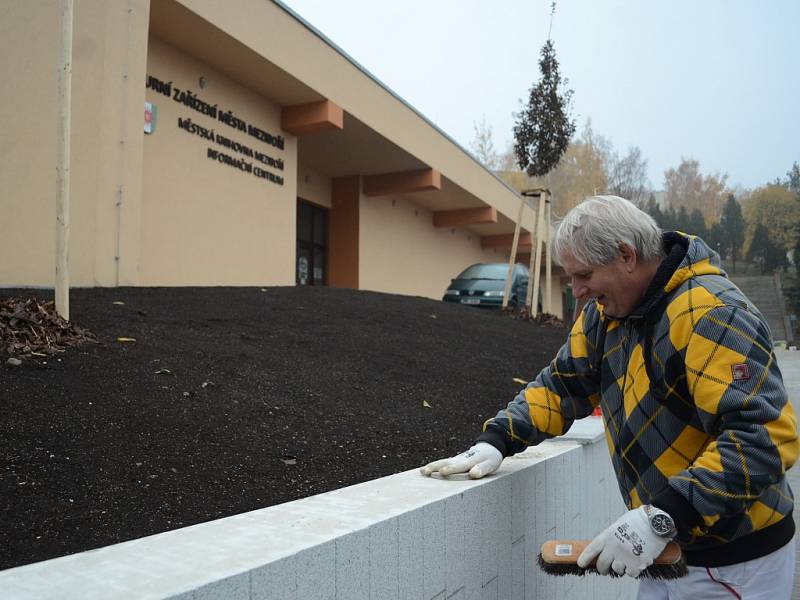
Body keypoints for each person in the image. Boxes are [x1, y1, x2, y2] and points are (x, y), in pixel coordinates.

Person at [421, 195, 799, 598]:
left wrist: (664, 515)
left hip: (735, 562)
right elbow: (563, 384)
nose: (578, 291)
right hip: (662, 550)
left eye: (583, 274)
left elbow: (764, 436)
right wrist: (497, 440)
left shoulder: (713, 313)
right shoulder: (607, 314)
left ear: (626, 255)